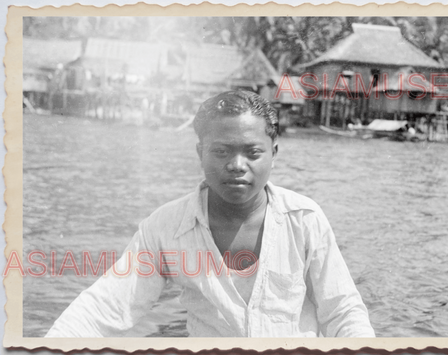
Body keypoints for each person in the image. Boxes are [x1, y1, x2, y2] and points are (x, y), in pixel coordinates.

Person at [45, 90, 375, 338]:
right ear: (200, 152)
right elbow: (108, 305)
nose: (237, 165)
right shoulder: (166, 227)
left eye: (252, 152)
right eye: (221, 151)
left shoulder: (304, 220)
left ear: (273, 154)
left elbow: (342, 311)